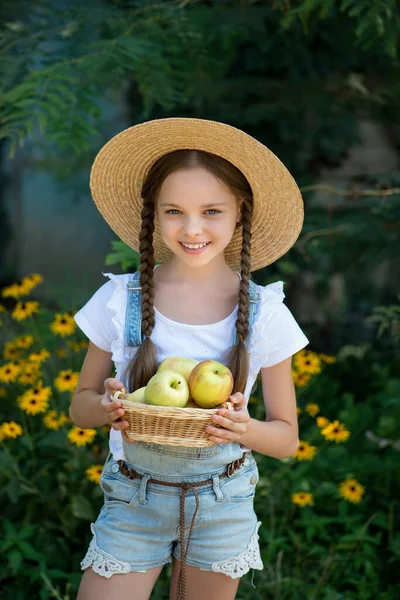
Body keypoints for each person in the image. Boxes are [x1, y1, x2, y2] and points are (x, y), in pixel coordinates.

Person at [70, 117, 309, 600]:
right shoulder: (122, 299)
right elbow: (79, 407)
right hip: (134, 498)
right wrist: (107, 408)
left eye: (212, 211)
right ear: (153, 215)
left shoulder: (265, 313)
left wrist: (245, 430)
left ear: (241, 212)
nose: (193, 228)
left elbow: (285, 440)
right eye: (174, 210)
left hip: (221, 501)